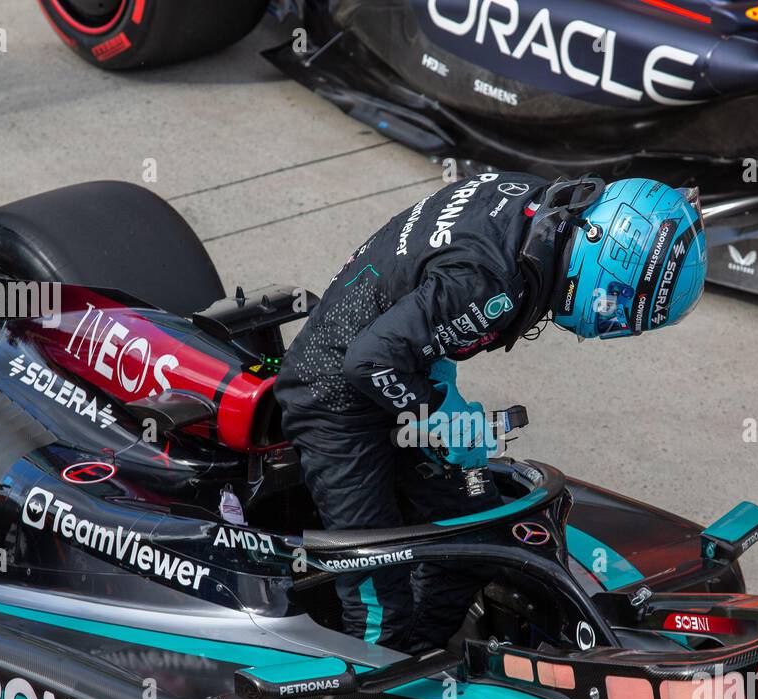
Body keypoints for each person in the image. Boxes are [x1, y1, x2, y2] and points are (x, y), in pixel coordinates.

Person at [274, 173, 707, 652]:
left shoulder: (537, 206)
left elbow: (419, 278)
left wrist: (436, 381)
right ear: (601, 248)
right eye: (620, 305)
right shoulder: (491, 280)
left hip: (393, 379)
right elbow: (368, 360)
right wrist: (441, 414)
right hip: (334, 405)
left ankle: (423, 664)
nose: (614, 322)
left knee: (473, 547)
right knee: (380, 599)